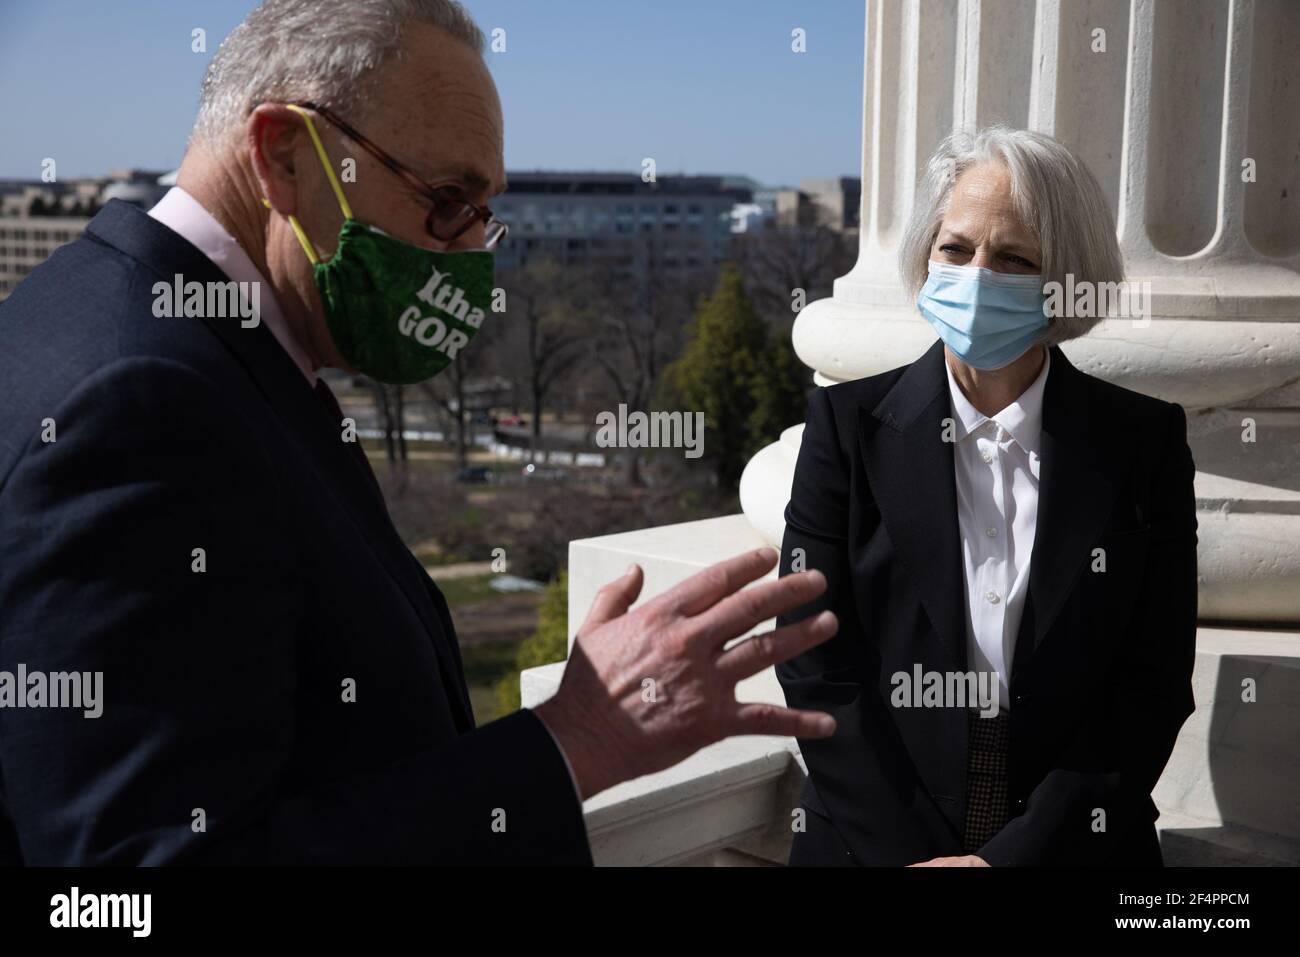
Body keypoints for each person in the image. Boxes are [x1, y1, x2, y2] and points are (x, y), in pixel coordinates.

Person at [0, 0, 838, 865]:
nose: (472, 257)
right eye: (447, 202)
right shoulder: (146, 405)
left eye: (484, 215)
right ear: (285, 155)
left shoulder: (101, 314)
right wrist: (577, 738)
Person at [775, 127, 1198, 866]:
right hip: (872, 846)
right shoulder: (844, 430)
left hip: (1071, 851)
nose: (975, 276)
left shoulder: (1143, 445)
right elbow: (815, 663)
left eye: (1013, 259)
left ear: (1063, 280)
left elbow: (1151, 685)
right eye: (956, 248)